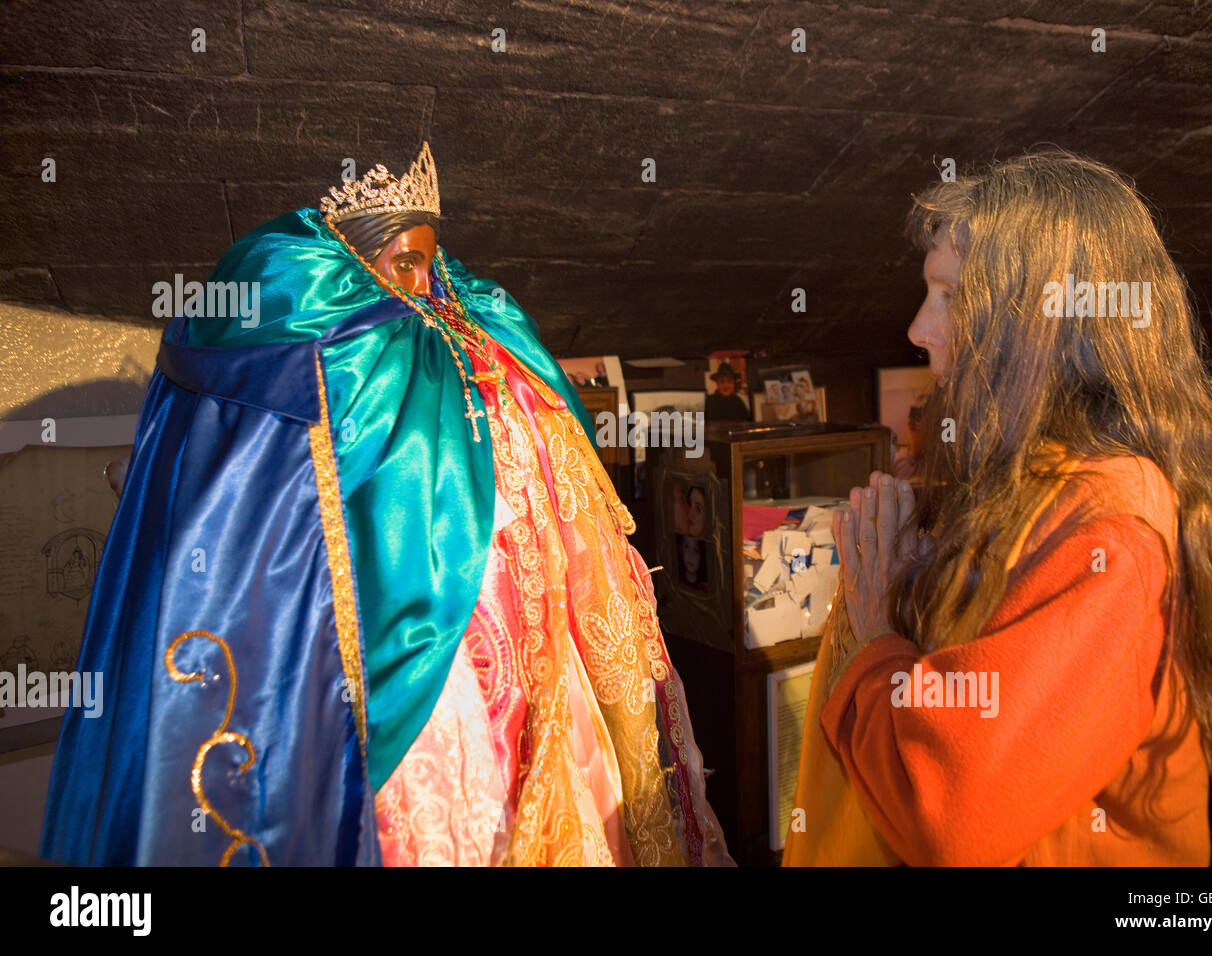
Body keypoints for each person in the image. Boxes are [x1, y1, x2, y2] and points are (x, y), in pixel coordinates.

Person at [41, 142, 730, 867]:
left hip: (520, 639)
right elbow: (274, 514)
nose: (426, 282)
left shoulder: (471, 338)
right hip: (409, 651)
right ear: (361, 262)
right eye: (405, 262)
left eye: (433, 261)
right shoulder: (345, 358)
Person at [785, 150, 1212, 866]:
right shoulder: (1023, 482)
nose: (918, 329)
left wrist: (874, 636)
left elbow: (952, 817)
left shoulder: (1110, 529)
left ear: (1040, 330)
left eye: (950, 297)